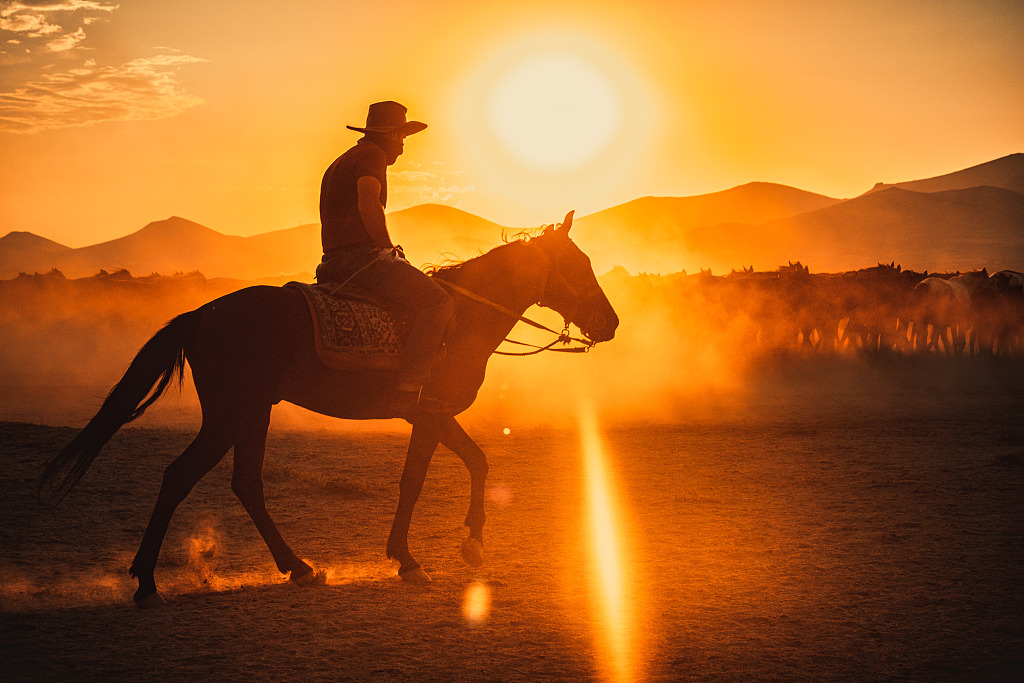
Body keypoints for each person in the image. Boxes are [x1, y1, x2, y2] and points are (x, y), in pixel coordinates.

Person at [315, 101, 454, 416]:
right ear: (390, 134)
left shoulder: (341, 160)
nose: (402, 148)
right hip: (359, 259)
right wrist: (388, 248)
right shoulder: (372, 156)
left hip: (331, 261)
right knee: (438, 303)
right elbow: (368, 204)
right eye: (402, 138)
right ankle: (407, 391)